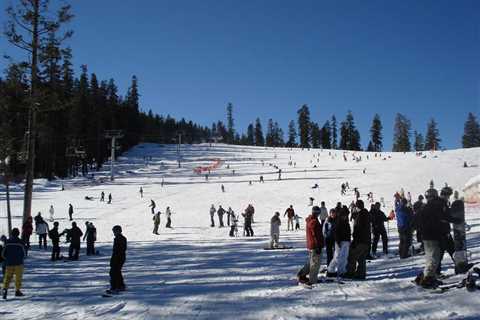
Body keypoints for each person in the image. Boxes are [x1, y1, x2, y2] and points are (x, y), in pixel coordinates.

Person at [415, 187, 458, 288]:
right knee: (434, 258)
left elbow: (417, 220)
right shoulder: (435, 205)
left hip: (429, 235)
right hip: (432, 236)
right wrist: (455, 220)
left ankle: (425, 277)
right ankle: (428, 280)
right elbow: (443, 216)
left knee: (432, 258)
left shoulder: (426, 207)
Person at [297, 206, 324, 285]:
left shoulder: (310, 219)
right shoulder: (314, 221)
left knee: (311, 262)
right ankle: (312, 280)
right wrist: (318, 246)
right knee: (315, 263)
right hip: (315, 246)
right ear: (317, 213)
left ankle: (301, 274)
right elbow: (315, 235)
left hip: (311, 245)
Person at [345, 200, 371, 280]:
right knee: (361, 258)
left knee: (352, 256)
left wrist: (355, 240)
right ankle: (361, 274)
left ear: (357, 207)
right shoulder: (365, 214)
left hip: (360, 240)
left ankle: (350, 273)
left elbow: (358, 230)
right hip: (366, 240)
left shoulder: (361, 215)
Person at [2, 228, 26, 299]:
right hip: (19, 263)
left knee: (7, 277)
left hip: (9, 263)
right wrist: (22, 258)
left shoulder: (7, 242)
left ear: (12, 233)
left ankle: (5, 290)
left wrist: (6, 259)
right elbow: (24, 253)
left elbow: (3, 253)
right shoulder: (20, 242)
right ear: (18, 234)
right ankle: (17, 291)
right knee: (18, 277)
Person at [326, 207, 351, 277]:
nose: (346, 216)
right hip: (340, 242)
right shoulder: (338, 221)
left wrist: (349, 240)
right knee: (337, 257)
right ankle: (330, 270)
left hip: (346, 241)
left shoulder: (346, 221)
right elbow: (335, 232)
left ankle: (342, 271)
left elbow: (348, 232)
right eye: (345, 215)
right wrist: (338, 241)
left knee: (344, 257)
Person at [107, 225, 127, 294]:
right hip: (117, 257)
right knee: (116, 272)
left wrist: (116, 259)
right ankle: (119, 286)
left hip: (119, 258)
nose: (114, 233)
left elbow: (120, 250)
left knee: (114, 272)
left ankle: (116, 287)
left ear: (118, 231)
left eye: (115, 231)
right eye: (113, 231)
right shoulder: (117, 238)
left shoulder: (121, 238)